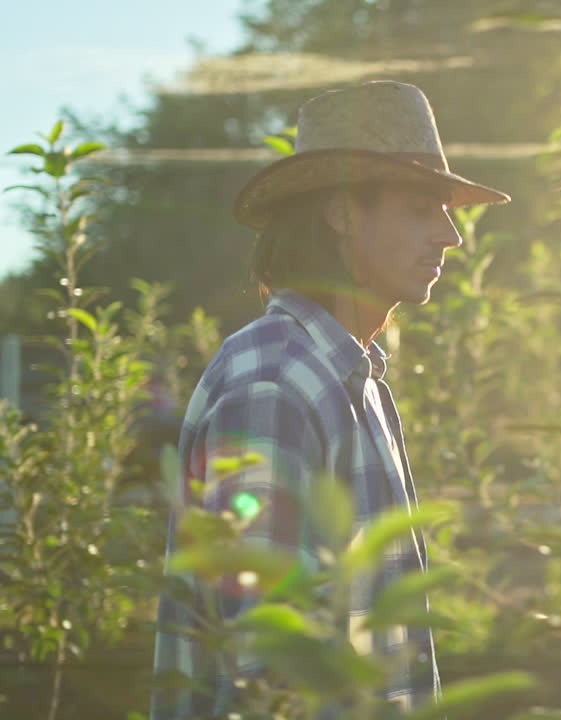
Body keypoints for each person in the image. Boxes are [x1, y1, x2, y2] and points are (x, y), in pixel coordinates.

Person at [150, 80, 510, 719]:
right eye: (421, 209)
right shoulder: (274, 387)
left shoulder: (354, 378)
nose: (450, 236)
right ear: (342, 213)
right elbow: (267, 668)